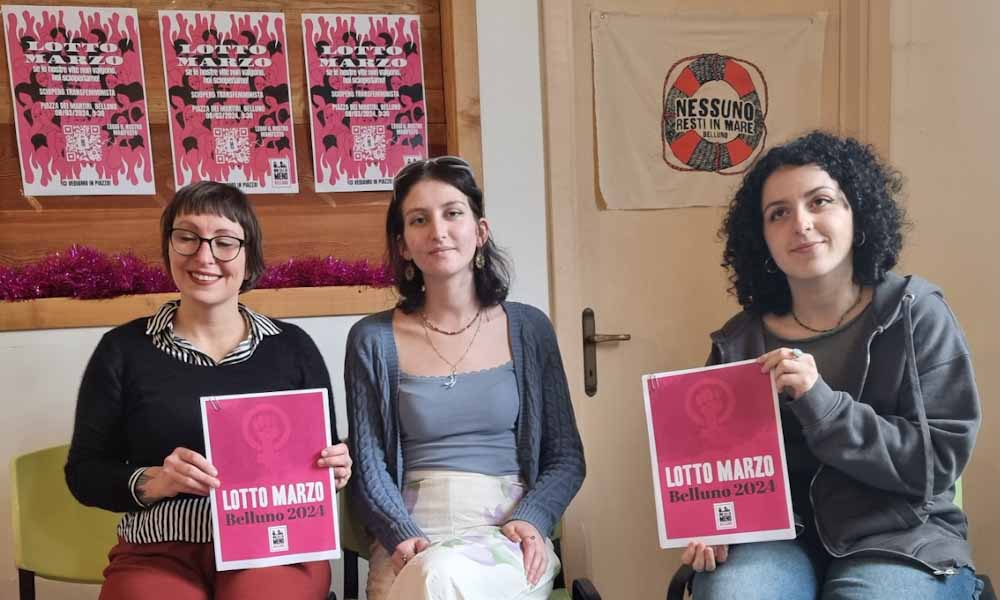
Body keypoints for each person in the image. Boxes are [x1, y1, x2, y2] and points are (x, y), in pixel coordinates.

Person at [679, 131, 983, 599]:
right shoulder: (739, 341)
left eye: (819, 201)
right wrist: (707, 522)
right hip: (774, 537)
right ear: (762, 238)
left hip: (900, 534)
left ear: (856, 214)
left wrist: (820, 402)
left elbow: (934, 462)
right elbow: (715, 470)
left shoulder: (915, 313)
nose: (801, 224)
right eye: (778, 213)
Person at [65, 181, 353, 600]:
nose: (204, 256)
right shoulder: (122, 349)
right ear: (169, 247)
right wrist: (155, 481)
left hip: (274, 545)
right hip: (160, 548)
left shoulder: (293, 348)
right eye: (187, 237)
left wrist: (335, 470)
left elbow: (321, 461)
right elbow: (84, 472)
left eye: (224, 242)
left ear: (249, 257)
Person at [345, 156, 585, 600]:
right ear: (403, 245)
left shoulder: (530, 329)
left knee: (438, 578)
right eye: (419, 220)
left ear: (481, 231)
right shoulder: (371, 339)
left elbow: (566, 456)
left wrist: (532, 517)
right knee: (429, 575)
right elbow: (369, 463)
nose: (437, 230)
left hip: (509, 534)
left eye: (453, 213)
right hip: (409, 536)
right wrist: (398, 532)